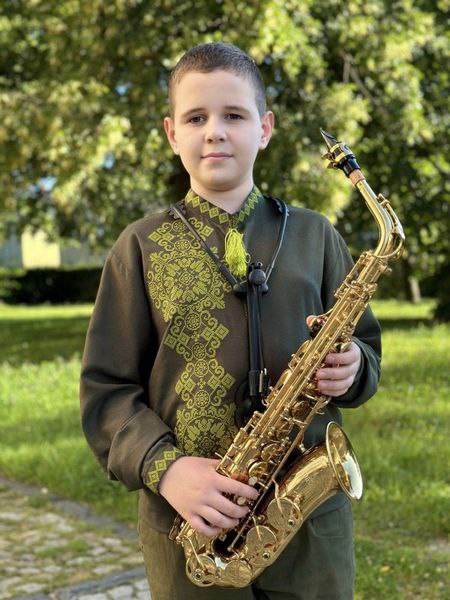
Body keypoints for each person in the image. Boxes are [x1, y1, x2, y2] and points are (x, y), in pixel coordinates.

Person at [80, 42, 381, 600]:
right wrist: (167, 469)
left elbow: (366, 347)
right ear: (173, 134)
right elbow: (106, 391)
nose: (214, 131)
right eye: (196, 117)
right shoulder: (140, 246)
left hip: (311, 525)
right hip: (188, 524)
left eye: (234, 115)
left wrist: (355, 367)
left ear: (264, 129)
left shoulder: (317, 236)